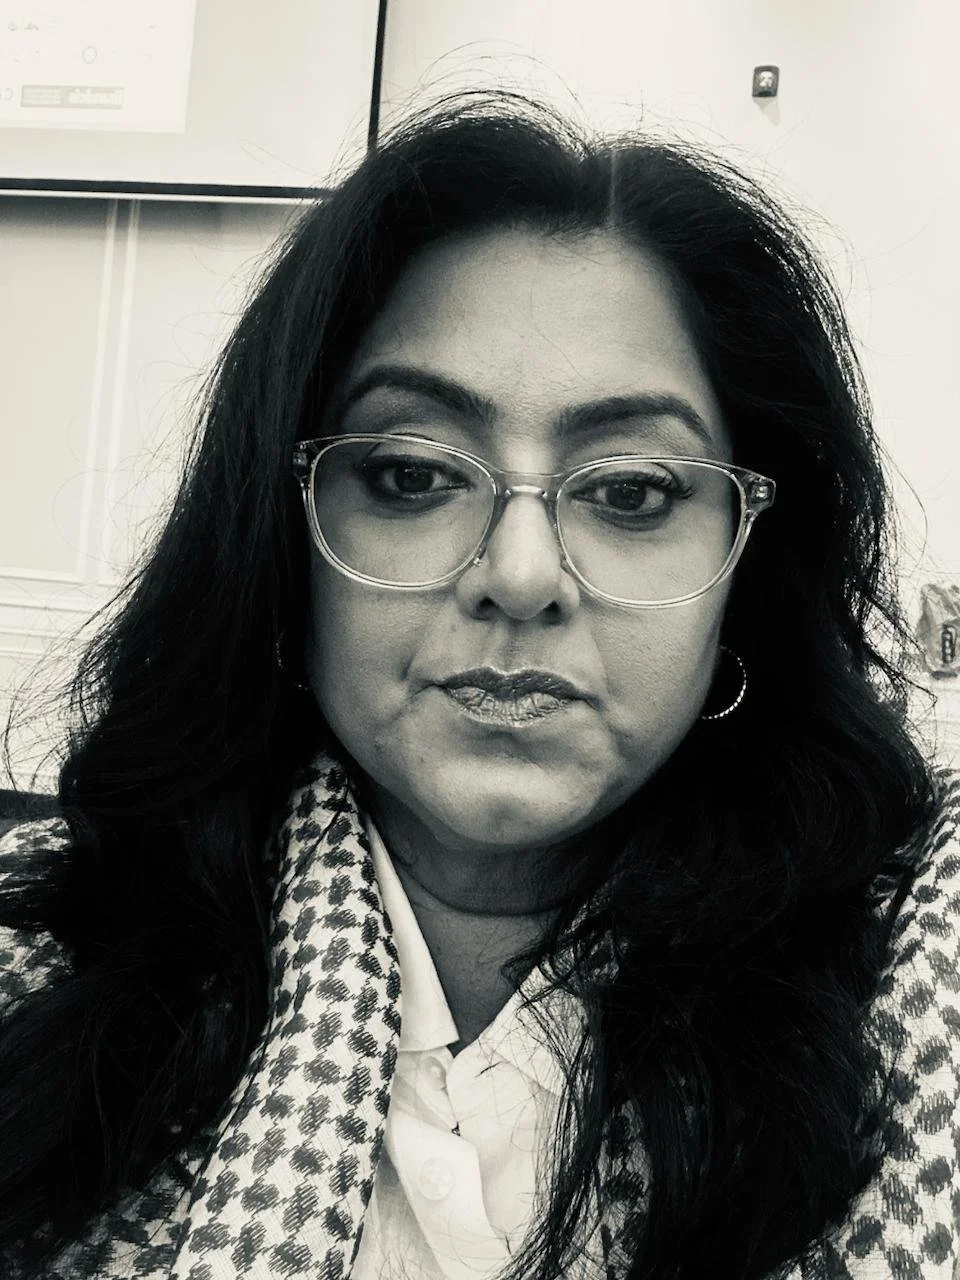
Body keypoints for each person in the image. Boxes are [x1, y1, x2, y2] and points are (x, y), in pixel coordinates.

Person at [0, 90, 956, 1280]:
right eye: (409, 473)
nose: (519, 575)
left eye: (634, 491)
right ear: (281, 542)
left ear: (746, 569)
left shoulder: (921, 975)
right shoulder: (36, 977)